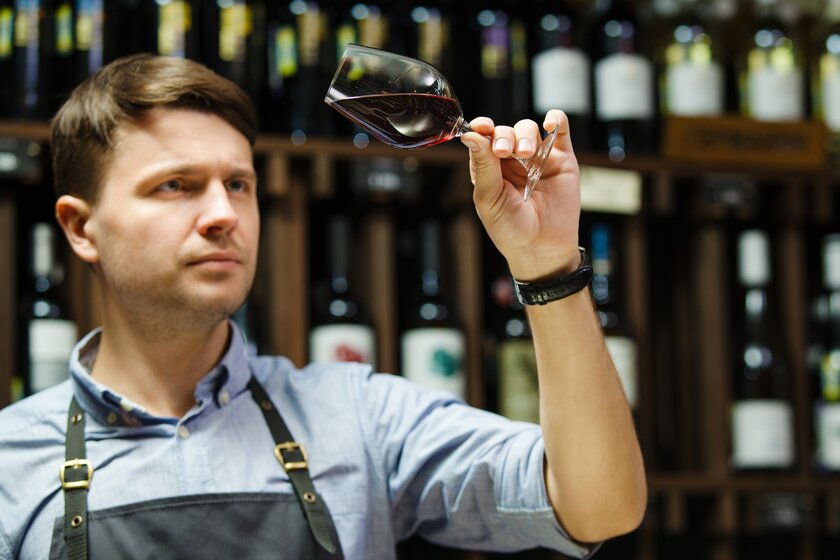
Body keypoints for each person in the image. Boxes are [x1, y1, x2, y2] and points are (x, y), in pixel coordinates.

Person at [0, 54, 646, 559]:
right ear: (80, 228)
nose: (224, 214)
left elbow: (599, 507)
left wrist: (547, 265)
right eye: (177, 186)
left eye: (238, 184)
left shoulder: (361, 417)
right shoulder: (11, 459)